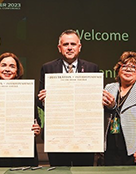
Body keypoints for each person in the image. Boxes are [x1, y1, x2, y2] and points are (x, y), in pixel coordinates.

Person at [37, 29, 100, 166]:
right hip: (58, 133)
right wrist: (44, 99)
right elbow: (40, 103)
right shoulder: (48, 68)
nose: (70, 47)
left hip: (84, 134)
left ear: (79, 47)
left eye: (73, 44)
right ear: (60, 48)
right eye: (66, 44)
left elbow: (95, 103)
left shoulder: (92, 68)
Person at [0, 52, 41, 167]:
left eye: (12, 66)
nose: (7, 69)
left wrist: (37, 128)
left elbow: (36, 120)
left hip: (23, 155)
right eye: (3, 65)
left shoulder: (26, 93)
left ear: (17, 71)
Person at [102, 51, 136, 165]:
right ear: (118, 69)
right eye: (125, 66)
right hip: (110, 149)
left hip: (134, 151)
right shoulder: (109, 88)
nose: (128, 69)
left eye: (133, 67)